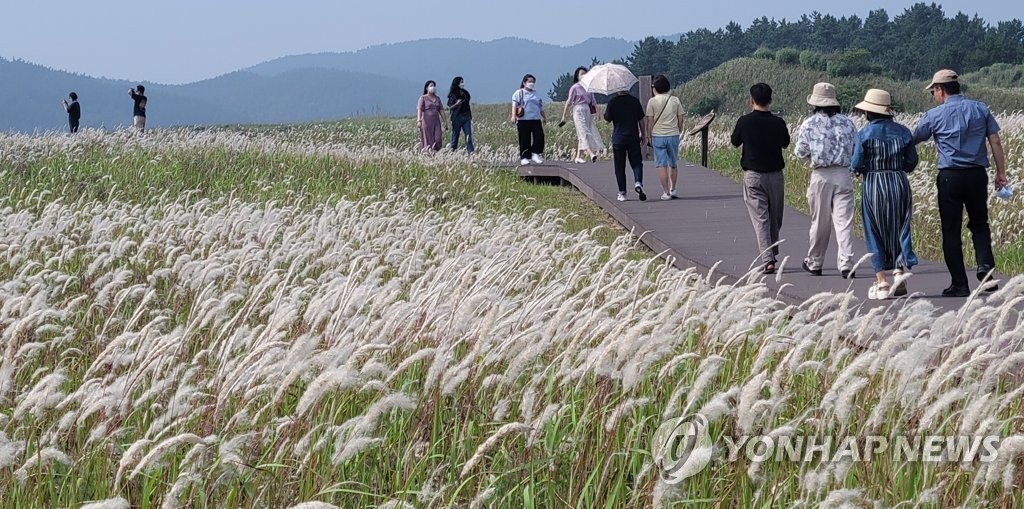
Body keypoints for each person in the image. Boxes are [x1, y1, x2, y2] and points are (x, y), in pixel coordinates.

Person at [912, 69, 1009, 297]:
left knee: (951, 229)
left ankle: (960, 284)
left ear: (940, 89)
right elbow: (995, 140)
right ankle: (985, 268)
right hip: (976, 175)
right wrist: (1000, 173)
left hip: (950, 177)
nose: (933, 95)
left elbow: (915, 137)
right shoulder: (980, 108)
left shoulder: (934, 115)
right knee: (979, 224)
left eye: (933, 91)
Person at [850, 89, 919, 300]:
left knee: (874, 229)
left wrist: (862, 170)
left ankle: (881, 282)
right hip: (898, 182)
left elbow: (855, 164)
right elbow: (912, 162)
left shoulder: (864, 134)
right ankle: (899, 271)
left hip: (873, 183)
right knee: (900, 226)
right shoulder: (904, 131)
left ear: (869, 113)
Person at [794, 82, 857, 279]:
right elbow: (856, 149)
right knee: (843, 222)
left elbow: (800, 152)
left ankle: (815, 262)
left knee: (820, 221)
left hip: (821, 175)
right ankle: (847, 263)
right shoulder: (848, 123)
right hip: (843, 174)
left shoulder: (809, 124)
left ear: (815, 102)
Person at [730, 83, 790, 274]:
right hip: (775, 175)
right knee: (775, 217)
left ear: (751, 100)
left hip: (753, 176)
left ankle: (768, 257)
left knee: (761, 218)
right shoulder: (778, 122)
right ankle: (769, 255)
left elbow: (734, 141)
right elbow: (786, 143)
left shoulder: (744, 121)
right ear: (770, 100)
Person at [603, 88, 647, 202]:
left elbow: (607, 119)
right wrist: (643, 133)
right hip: (633, 137)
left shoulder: (613, 102)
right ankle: (638, 182)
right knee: (637, 163)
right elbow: (641, 119)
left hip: (618, 139)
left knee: (619, 166)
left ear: (617, 89)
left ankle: (622, 193)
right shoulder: (635, 101)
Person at [645, 75, 684, 200]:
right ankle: (673, 189)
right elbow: (680, 118)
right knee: (673, 163)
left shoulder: (652, 101)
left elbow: (650, 121)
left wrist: (648, 135)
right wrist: (679, 128)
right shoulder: (675, 100)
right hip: (673, 134)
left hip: (658, 135)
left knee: (661, 164)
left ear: (654, 88)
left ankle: (666, 192)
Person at [560, 66, 604, 164]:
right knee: (583, 131)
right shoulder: (575, 87)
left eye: (585, 73)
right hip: (578, 109)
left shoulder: (589, 88)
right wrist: (564, 116)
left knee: (585, 131)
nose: (583, 75)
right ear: (577, 76)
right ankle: (591, 153)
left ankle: (578, 156)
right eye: (581, 74)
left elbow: (593, 101)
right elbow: (569, 102)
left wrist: (597, 113)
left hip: (587, 110)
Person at [511, 74, 546, 165]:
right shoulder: (519, 93)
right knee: (524, 139)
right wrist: (513, 115)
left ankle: (535, 154)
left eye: (533, 82)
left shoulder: (536, 94)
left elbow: (540, 107)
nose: (531, 83)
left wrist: (544, 117)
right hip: (523, 120)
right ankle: (524, 157)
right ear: (524, 83)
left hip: (535, 119)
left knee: (540, 137)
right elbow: (514, 105)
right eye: (529, 81)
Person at [417, 80, 446, 152]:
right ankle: (429, 153)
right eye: (431, 86)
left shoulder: (437, 98)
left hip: (436, 121)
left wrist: (445, 121)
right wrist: (419, 120)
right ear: (427, 88)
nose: (433, 87)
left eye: (433, 86)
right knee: (428, 138)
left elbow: (441, 110)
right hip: (426, 121)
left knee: (438, 138)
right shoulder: (423, 98)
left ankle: (436, 151)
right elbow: (419, 109)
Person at [446, 76, 474, 153]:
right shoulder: (453, 94)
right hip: (457, 117)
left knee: (468, 136)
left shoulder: (465, 93)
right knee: (455, 137)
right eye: (461, 82)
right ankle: (453, 151)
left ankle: (471, 152)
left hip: (466, 116)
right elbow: (450, 106)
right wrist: (457, 103)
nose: (462, 83)